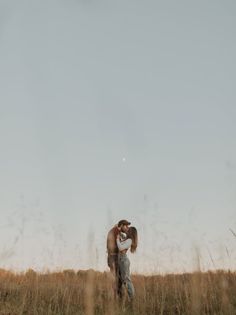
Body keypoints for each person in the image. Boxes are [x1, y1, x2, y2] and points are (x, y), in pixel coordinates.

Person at [106, 220, 131, 297]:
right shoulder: (115, 232)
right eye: (126, 226)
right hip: (113, 257)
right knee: (116, 279)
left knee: (119, 279)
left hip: (114, 257)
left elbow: (123, 238)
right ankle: (117, 299)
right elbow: (118, 246)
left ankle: (118, 298)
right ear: (122, 225)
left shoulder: (117, 231)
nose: (127, 228)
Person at [116, 226, 138, 299]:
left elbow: (120, 248)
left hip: (123, 261)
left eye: (128, 230)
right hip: (121, 260)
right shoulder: (127, 239)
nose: (127, 230)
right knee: (123, 280)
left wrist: (117, 239)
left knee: (127, 280)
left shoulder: (130, 241)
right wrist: (119, 232)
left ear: (131, 232)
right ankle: (123, 298)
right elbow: (122, 240)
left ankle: (132, 298)